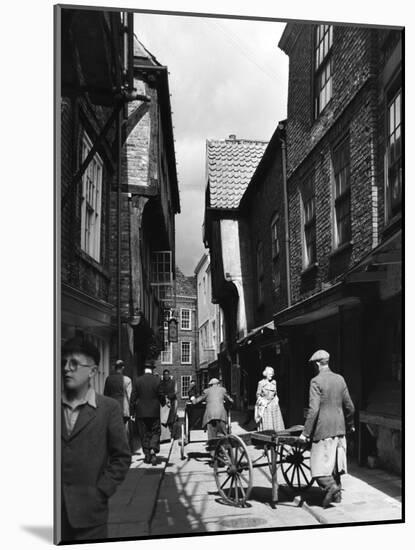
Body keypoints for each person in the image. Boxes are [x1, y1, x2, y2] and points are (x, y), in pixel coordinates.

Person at [61, 337, 131, 542]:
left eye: (74, 364)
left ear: (92, 371)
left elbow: (121, 456)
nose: (67, 369)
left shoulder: (107, 408)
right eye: (64, 362)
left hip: (90, 515)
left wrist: (101, 491)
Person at [299, 349, 355, 508]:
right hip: (340, 429)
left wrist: (305, 433)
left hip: (323, 431)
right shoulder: (340, 379)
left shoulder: (316, 381)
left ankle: (331, 488)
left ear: (317, 364)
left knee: (318, 468)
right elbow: (350, 407)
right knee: (335, 465)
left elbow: (314, 410)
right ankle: (337, 497)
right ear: (327, 362)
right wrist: (350, 425)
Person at [130, 362, 165, 466]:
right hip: (154, 411)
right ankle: (153, 448)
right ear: (152, 370)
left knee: (143, 433)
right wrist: (163, 403)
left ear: (144, 369)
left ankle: (147, 455)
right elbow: (161, 395)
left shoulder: (138, 381)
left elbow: (133, 397)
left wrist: (132, 412)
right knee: (155, 431)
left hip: (141, 412)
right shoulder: (157, 380)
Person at [191, 378, 233, 461]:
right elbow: (231, 400)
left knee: (212, 437)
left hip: (210, 416)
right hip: (221, 415)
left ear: (210, 385)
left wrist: (192, 398)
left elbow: (196, 401)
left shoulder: (206, 391)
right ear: (218, 384)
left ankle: (214, 456)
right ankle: (222, 453)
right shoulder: (222, 390)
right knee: (223, 435)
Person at [255, 366, 285, 432]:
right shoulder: (261, 383)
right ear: (266, 374)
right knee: (268, 425)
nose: (271, 376)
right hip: (266, 406)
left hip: (274, 406)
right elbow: (258, 395)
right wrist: (262, 402)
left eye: (272, 374)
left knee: (277, 425)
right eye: (269, 374)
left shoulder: (274, 382)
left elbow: (275, 394)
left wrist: (276, 400)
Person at [103, 359, 132, 426]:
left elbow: (105, 395)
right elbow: (129, 396)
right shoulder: (127, 380)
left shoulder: (108, 379)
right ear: (123, 368)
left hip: (111, 408)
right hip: (123, 409)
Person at [159, 369, 177, 440]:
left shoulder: (173, 382)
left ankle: (171, 433)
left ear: (169, 375)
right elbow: (159, 391)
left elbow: (175, 391)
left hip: (172, 401)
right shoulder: (161, 382)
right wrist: (164, 397)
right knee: (164, 419)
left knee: (171, 418)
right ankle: (165, 435)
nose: (166, 376)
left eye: (167, 374)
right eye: (164, 374)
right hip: (163, 402)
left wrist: (169, 396)